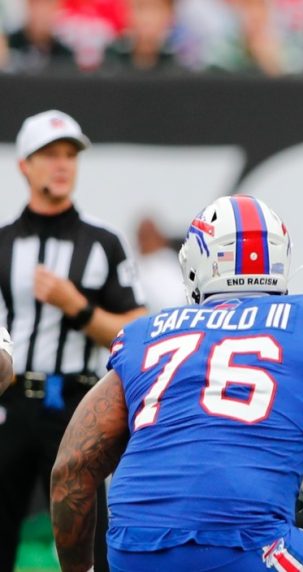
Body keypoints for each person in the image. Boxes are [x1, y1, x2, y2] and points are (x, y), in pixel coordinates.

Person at [49, 195, 303, 571]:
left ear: (195, 262)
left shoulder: (147, 335)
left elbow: (72, 469)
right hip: (246, 544)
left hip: (136, 550)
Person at [0, 109, 148, 572]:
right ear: (25, 165)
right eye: (49, 155)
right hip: (11, 402)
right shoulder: (2, 243)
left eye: (69, 155)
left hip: (79, 403)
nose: (62, 165)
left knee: (87, 537)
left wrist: (77, 307)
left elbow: (137, 333)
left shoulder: (103, 242)